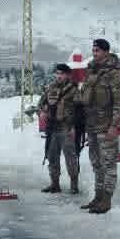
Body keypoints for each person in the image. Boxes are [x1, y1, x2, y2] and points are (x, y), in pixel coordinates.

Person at [77, 38, 120, 214]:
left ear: (106, 52)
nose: (94, 53)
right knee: (96, 164)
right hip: (91, 125)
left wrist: (114, 125)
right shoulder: (91, 71)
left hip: (106, 126)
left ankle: (106, 200)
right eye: (93, 50)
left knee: (109, 164)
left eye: (97, 50)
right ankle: (98, 197)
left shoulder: (115, 73)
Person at [37, 63, 81, 194]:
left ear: (68, 75)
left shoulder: (74, 90)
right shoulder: (50, 88)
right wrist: (42, 112)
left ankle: (74, 185)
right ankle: (54, 184)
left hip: (67, 128)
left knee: (70, 158)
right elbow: (40, 104)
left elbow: (80, 111)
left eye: (62, 73)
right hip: (52, 129)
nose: (59, 76)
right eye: (57, 73)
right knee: (52, 157)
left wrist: (74, 127)